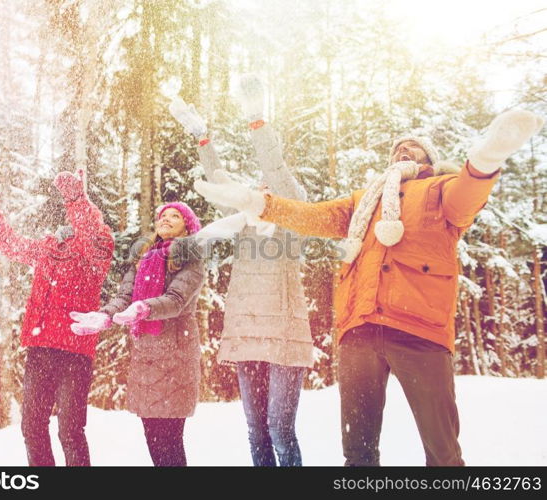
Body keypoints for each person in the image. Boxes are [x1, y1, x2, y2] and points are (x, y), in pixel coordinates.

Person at [193, 108, 544, 466]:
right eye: (398, 148)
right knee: (358, 453)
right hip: (359, 329)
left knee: (442, 452)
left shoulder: (440, 190)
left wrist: (487, 158)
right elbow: (314, 216)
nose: (404, 150)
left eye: (414, 147)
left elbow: (468, 196)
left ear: (429, 160)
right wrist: (258, 203)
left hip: (420, 331)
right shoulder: (364, 201)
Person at [168, 74, 314, 467]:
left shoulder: (293, 220)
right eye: (261, 184)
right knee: (256, 431)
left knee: (281, 431)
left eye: (274, 184)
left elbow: (277, 165)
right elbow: (219, 181)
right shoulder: (242, 222)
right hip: (247, 332)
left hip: (283, 333)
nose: (265, 186)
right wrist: (202, 138)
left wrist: (256, 121)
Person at [0, 169, 113, 466]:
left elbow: (89, 229)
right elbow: (10, 243)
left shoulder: (97, 249)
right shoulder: (48, 251)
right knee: (32, 428)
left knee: (70, 431)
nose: (73, 222)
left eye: (80, 217)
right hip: (40, 350)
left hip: (75, 352)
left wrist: (76, 197)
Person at [69, 202, 206, 467]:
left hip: (175, 355)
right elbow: (125, 297)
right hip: (146, 354)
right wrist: (105, 315)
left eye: (175, 216)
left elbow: (176, 300)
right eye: (163, 215)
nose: (166, 219)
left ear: (187, 227)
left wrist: (144, 308)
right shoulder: (144, 257)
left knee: (170, 442)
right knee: (153, 438)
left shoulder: (191, 259)